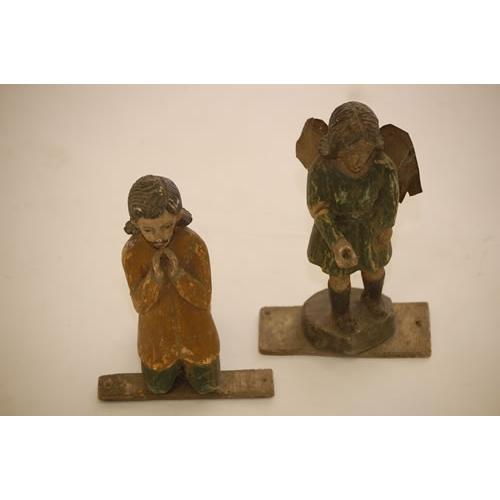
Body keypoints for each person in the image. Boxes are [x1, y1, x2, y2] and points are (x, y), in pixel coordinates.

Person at [306, 102, 399, 332]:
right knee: (339, 276)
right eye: (352, 153)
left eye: (366, 153)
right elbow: (318, 208)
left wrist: (385, 227)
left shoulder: (383, 166)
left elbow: (389, 199)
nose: (359, 160)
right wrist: (336, 242)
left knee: (375, 269)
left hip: (371, 227)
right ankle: (341, 314)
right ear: (337, 147)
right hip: (336, 229)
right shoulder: (321, 169)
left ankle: (372, 299)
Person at [122, 175, 220, 394]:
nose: (159, 236)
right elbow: (139, 304)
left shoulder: (193, 244)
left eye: (167, 226)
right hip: (157, 342)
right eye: (148, 230)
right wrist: (155, 279)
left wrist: (178, 275)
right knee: (157, 387)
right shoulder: (133, 252)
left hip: (197, 336)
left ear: (178, 217)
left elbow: (204, 299)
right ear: (136, 225)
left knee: (208, 385)